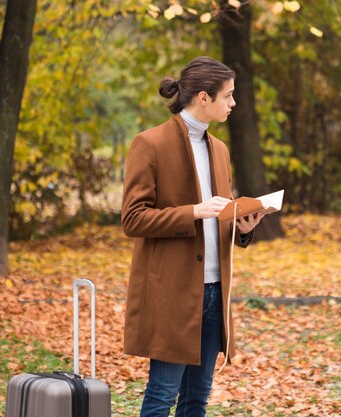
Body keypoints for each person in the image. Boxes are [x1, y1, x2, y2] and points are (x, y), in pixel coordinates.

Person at [121, 56, 264, 417]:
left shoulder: (219, 150)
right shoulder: (149, 144)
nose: (233, 103)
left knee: (196, 401)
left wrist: (242, 230)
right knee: (161, 397)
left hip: (216, 290)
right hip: (173, 292)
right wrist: (193, 212)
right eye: (228, 96)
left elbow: (219, 219)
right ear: (204, 97)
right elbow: (133, 219)